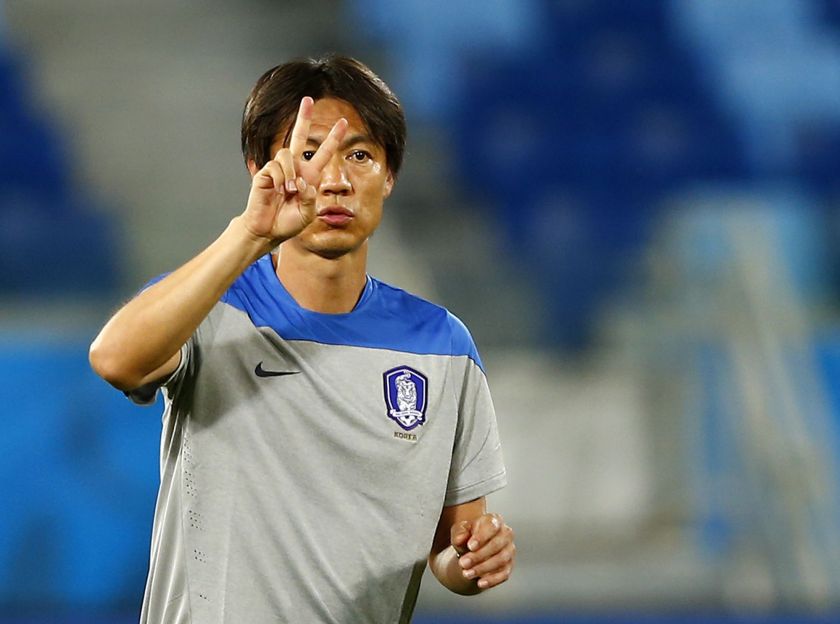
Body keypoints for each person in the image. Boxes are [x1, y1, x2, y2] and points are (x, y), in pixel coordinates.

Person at [89, 54, 515, 623]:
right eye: (308, 154)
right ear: (258, 168)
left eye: (359, 155)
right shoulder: (207, 306)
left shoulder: (443, 346)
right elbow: (115, 360)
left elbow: (452, 545)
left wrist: (472, 561)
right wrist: (249, 235)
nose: (334, 180)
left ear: (389, 176)